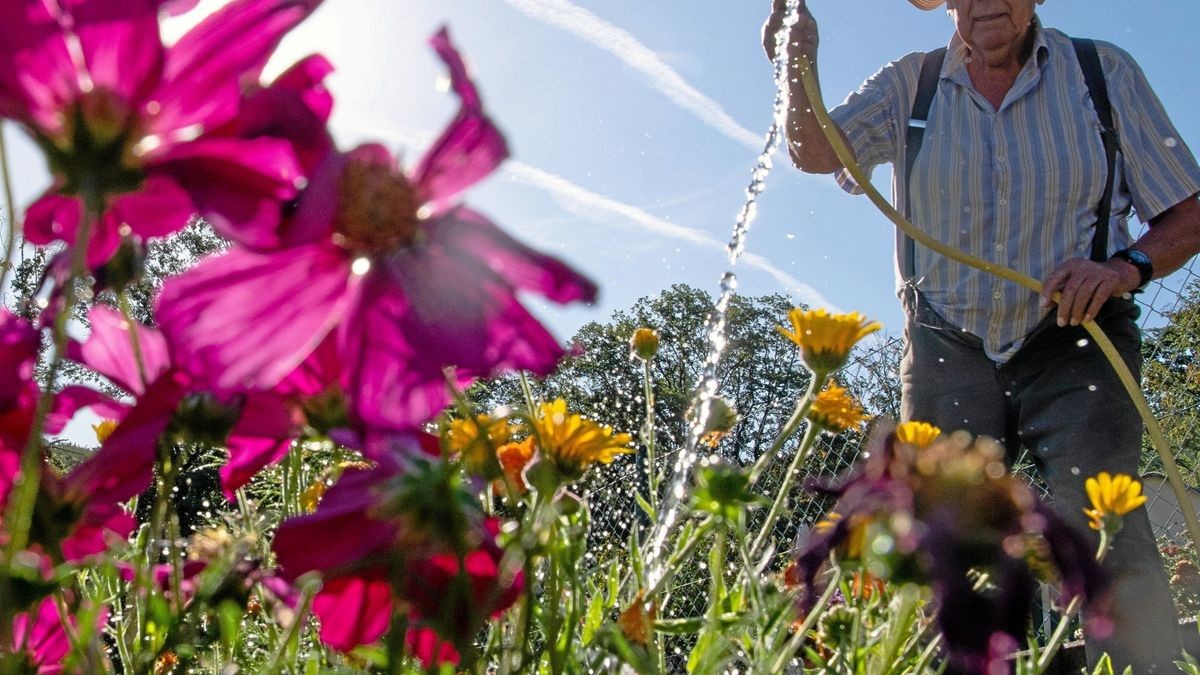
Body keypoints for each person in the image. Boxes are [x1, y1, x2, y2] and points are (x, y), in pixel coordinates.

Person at [763, 0, 1200, 671]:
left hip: (1076, 335)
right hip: (948, 340)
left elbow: (1187, 212)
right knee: (948, 540)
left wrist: (1123, 267)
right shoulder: (910, 84)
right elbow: (817, 149)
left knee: (1106, 517)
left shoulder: (1101, 73)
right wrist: (796, 63)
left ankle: (1149, 666)